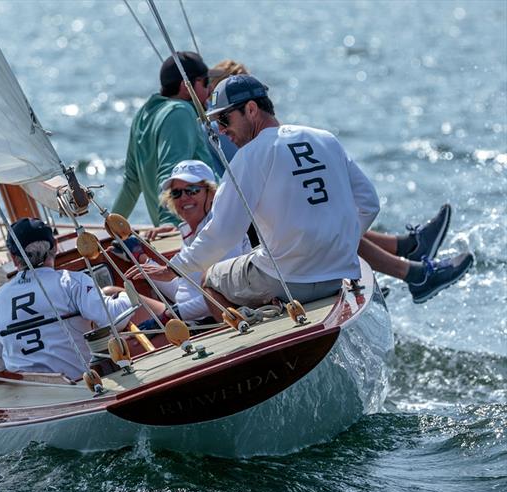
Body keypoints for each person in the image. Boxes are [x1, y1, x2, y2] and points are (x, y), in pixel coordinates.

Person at [203, 62, 473, 304]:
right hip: (247, 220)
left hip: (269, 229)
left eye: (224, 118)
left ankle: (408, 253)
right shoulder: (229, 136)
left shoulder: (249, 140)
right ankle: (409, 260)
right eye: (220, 118)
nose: (222, 128)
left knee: (324, 214)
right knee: (324, 220)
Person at [127, 75, 380, 314]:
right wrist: (339, 246)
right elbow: (369, 205)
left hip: (285, 280)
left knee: (209, 279)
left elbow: (222, 233)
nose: (221, 130)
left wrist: (175, 269)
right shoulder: (326, 139)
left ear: (250, 109)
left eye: (224, 119)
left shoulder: (249, 156)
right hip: (335, 276)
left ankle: (245, 338)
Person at [0, 218, 163, 380]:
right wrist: (124, 293)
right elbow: (114, 319)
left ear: (14, 257)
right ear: (53, 249)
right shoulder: (70, 282)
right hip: (81, 386)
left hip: (33, 398)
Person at [111, 51, 215, 226]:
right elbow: (171, 173)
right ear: (185, 86)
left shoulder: (143, 114)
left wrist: (112, 227)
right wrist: (169, 225)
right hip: (194, 232)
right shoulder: (180, 113)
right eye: (206, 82)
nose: (210, 89)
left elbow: (131, 183)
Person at [143, 160, 249, 324]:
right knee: (117, 294)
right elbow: (183, 288)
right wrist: (140, 256)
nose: (184, 198)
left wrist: (172, 314)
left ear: (212, 193)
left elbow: (227, 293)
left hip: (213, 322)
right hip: (189, 319)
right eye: (176, 193)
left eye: (192, 190)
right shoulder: (189, 231)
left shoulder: (222, 230)